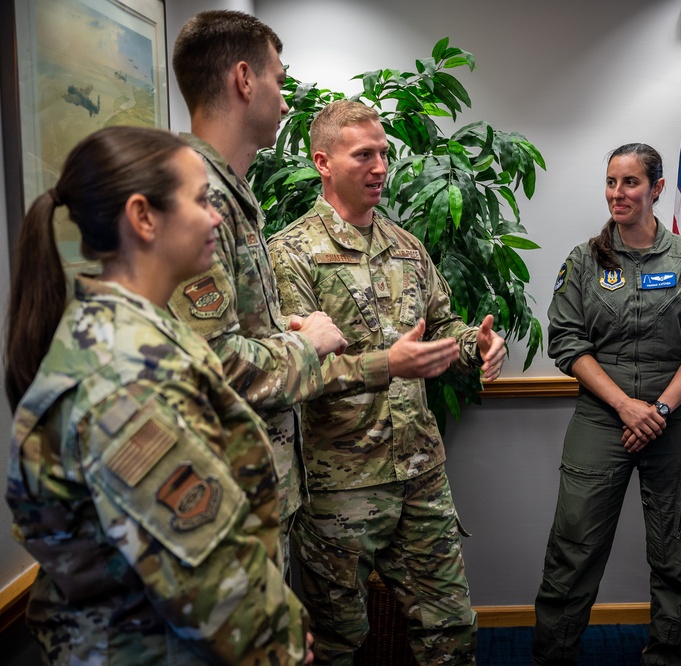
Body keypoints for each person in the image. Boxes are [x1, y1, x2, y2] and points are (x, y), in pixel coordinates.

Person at [4, 126, 312, 664]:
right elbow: (204, 567)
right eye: (200, 201)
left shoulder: (139, 332)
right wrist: (279, 643)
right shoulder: (126, 375)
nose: (216, 216)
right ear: (144, 217)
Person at [267, 99, 506, 665]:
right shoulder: (289, 255)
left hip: (420, 472)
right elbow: (291, 372)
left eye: (384, 154)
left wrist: (477, 343)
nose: (380, 167)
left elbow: (444, 323)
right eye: (363, 155)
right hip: (340, 485)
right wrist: (386, 365)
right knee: (338, 642)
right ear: (322, 161)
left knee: (451, 630)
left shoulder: (406, 246)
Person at [532, 143, 681, 666]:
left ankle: (668, 657)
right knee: (572, 551)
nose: (617, 194)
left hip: (677, 418)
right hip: (603, 416)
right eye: (611, 182)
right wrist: (626, 406)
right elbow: (567, 343)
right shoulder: (584, 260)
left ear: (657, 188)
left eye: (630, 183)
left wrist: (659, 410)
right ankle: (554, 658)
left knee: (677, 555)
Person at [169, 10, 347, 556]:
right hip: (228, 504)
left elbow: (225, 332)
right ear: (244, 80)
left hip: (257, 489)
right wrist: (307, 344)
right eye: (279, 79)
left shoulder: (229, 193)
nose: (287, 100)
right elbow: (216, 366)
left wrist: (278, 334)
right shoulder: (200, 199)